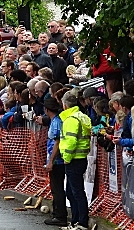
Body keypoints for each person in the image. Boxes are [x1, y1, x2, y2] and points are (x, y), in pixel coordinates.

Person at [59, 92, 92, 230]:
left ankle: (81, 222)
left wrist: (66, 158)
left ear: (65, 105)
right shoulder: (82, 117)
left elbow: (71, 141)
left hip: (73, 159)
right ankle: (75, 221)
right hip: (81, 158)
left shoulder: (71, 120)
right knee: (72, 191)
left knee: (76, 192)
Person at [43, 97, 68, 227]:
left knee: (57, 188)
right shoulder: (56, 121)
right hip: (56, 159)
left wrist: (51, 161)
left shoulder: (56, 122)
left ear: (47, 109)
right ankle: (57, 213)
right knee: (55, 188)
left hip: (57, 161)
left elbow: (57, 143)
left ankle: (60, 215)